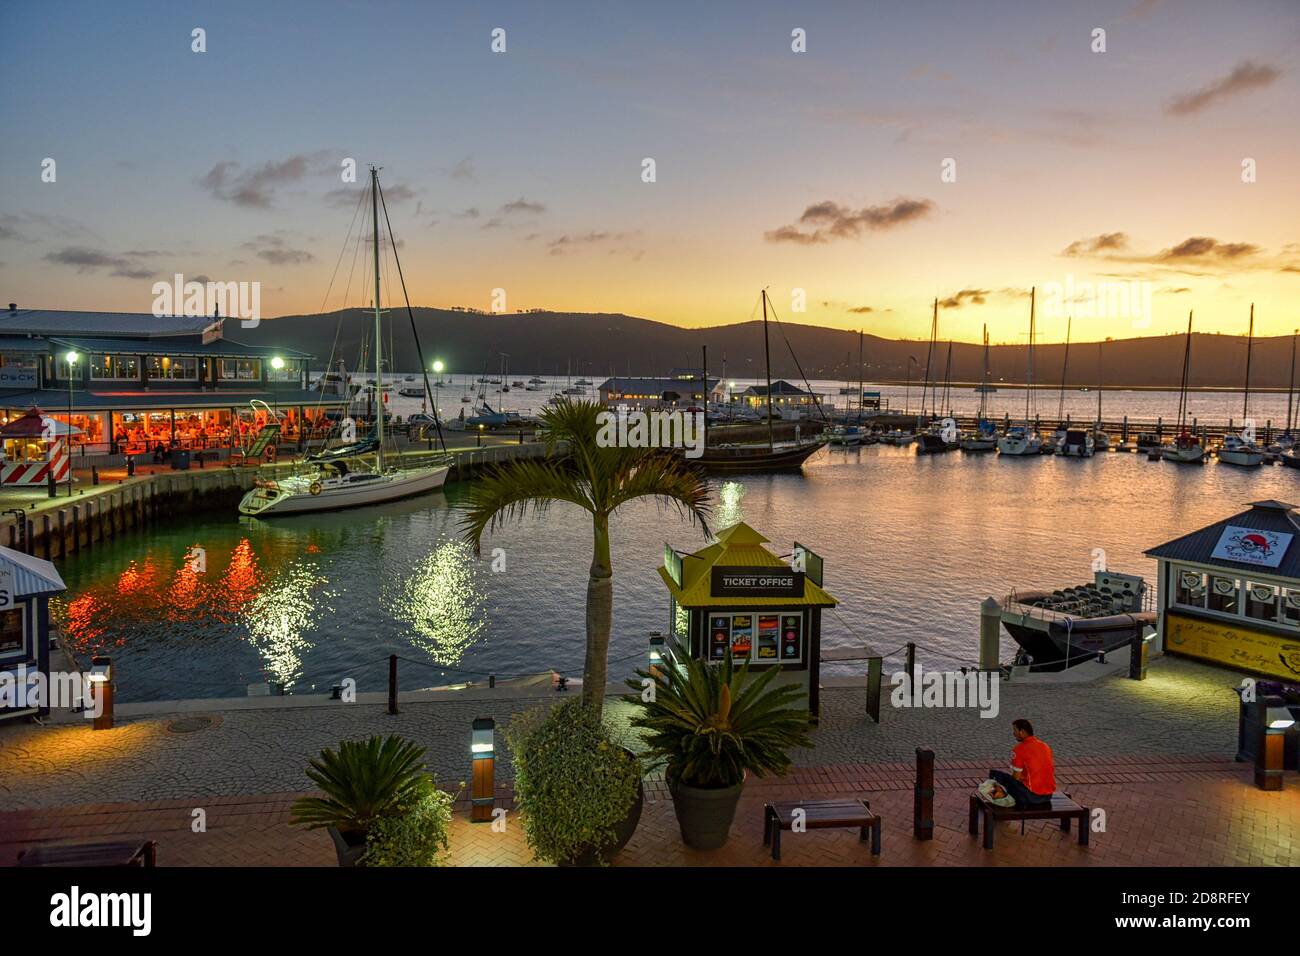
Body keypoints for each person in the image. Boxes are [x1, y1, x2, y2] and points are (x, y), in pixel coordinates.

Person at [989, 718, 1056, 809]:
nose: (1013, 733)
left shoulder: (1019, 749)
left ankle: (999, 795)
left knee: (996, 774)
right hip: (1048, 796)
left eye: (1015, 730)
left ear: (1022, 732)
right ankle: (1000, 793)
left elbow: (1015, 777)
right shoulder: (1045, 746)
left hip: (1032, 797)